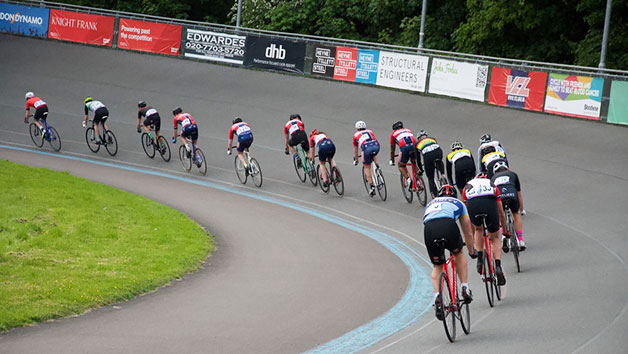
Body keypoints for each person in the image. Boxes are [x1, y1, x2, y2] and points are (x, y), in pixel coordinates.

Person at [423, 184, 476, 319]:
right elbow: (468, 232)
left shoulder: (430, 204)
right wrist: (471, 250)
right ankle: (464, 287)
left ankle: (437, 297)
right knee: (458, 254)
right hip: (448, 225)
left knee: (437, 266)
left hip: (430, 229)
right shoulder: (458, 203)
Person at [462, 173, 508, 286]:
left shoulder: (467, 186)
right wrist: (505, 231)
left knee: (478, 229)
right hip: (489, 202)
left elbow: (467, 214)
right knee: (495, 237)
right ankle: (498, 267)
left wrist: (473, 234)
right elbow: (501, 212)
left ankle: (480, 259)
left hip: (473, 203)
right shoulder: (491, 184)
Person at [491, 161, 526, 251]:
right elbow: (519, 194)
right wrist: (521, 210)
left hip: (500, 197)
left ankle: (503, 235)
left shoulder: (493, 178)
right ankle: (520, 240)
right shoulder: (513, 174)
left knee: (500, 215)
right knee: (516, 214)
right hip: (512, 195)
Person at [352, 120, 380, 196]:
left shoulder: (355, 135)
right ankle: (377, 166)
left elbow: (356, 149)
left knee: (367, 167)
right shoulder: (370, 131)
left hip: (366, 149)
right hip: (376, 146)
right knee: (373, 153)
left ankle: (371, 186)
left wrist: (356, 159)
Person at [414, 130, 443, 198]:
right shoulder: (432, 139)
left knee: (430, 177)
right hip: (438, 152)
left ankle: (433, 195)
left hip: (428, 156)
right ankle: (442, 175)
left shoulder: (416, 144)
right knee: (439, 162)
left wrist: (421, 169)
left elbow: (418, 159)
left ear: (418, 138)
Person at [389, 121, 418, 189]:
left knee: (401, 165)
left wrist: (392, 160)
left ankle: (408, 179)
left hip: (405, 148)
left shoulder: (393, 134)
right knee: (413, 162)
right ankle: (418, 178)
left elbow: (392, 150)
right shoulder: (408, 130)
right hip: (414, 146)